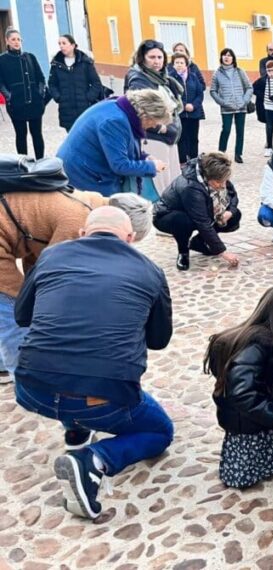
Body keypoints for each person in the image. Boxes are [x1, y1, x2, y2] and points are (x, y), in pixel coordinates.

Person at [14, 206, 174, 520]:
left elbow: (22, 315)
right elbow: (158, 340)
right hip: (104, 398)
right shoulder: (151, 271)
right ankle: (94, 460)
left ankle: (75, 431)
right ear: (130, 238)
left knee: (71, 366)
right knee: (160, 432)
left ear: (83, 233)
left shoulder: (50, 256)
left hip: (32, 388)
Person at [0, 184, 152, 385]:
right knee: (14, 313)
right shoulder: (78, 224)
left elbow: (40, 258)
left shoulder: (93, 202)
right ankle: (26, 381)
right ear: (123, 226)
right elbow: (57, 276)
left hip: (10, 228)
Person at [205, 286, 273, 489]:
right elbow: (242, 392)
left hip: (248, 414)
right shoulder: (260, 346)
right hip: (249, 420)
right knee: (240, 477)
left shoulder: (249, 336)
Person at [57, 89, 172, 197]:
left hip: (84, 167)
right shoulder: (115, 121)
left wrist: (143, 157)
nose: (154, 126)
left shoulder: (121, 108)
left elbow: (121, 146)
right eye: (155, 122)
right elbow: (120, 165)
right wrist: (152, 166)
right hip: (83, 176)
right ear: (146, 115)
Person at [152, 151, 241, 271]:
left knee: (235, 216)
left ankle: (198, 242)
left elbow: (232, 195)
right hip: (166, 215)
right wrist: (222, 252)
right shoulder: (190, 186)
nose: (223, 185)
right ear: (208, 177)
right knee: (183, 221)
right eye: (219, 182)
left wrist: (230, 212)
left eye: (225, 181)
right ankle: (183, 252)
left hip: (199, 211)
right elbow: (202, 222)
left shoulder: (217, 174)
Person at [125, 39, 184, 195]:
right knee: (159, 184)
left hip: (170, 137)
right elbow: (139, 112)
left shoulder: (161, 78)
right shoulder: (139, 79)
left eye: (159, 57)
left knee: (171, 181)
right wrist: (162, 128)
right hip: (153, 138)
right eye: (152, 57)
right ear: (142, 58)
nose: (157, 61)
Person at [0, 29, 47, 159]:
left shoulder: (30, 57)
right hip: (16, 104)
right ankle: (23, 163)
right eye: (13, 39)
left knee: (37, 134)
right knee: (21, 135)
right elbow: (1, 83)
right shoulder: (2, 60)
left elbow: (41, 78)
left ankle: (41, 161)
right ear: (7, 41)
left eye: (18, 39)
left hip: (34, 103)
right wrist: (9, 96)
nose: (16, 42)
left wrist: (40, 93)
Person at [48, 34, 103, 132]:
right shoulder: (56, 64)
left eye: (64, 43)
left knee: (87, 135)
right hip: (66, 109)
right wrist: (58, 97)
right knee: (72, 136)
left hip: (84, 108)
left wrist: (89, 98)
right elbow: (52, 84)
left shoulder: (84, 62)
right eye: (59, 44)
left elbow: (96, 83)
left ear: (73, 45)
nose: (61, 46)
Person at [210, 48, 253, 164]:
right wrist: (222, 102)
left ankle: (238, 154)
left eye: (229, 55)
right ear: (221, 57)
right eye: (224, 55)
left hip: (241, 107)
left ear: (233, 58)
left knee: (240, 131)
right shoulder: (217, 73)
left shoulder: (240, 71)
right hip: (226, 108)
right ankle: (221, 154)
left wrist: (244, 100)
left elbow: (249, 87)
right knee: (226, 129)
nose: (226, 57)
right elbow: (213, 91)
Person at [168, 52, 205, 165]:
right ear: (173, 64)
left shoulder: (193, 77)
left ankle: (194, 161)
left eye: (181, 63)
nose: (179, 65)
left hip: (194, 113)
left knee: (194, 138)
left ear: (186, 64)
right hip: (180, 114)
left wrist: (194, 105)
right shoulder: (170, 78)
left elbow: (200, 93)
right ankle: (183, 162)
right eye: (177, 62)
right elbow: (171, 95)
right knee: (182, 139)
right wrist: (184, 105)